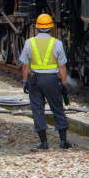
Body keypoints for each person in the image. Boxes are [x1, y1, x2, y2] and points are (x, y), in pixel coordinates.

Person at [19, 13, 71, 151]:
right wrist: (64, 83)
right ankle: (63, 141)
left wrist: (25, 81)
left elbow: (25, 66)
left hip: (35, 79)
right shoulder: (57, 43)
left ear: (36, 28)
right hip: (52, 80)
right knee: (57, 108)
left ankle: (44, 142)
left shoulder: (29, 42)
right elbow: (62, 66)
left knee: (37, 109)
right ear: (51, 28)